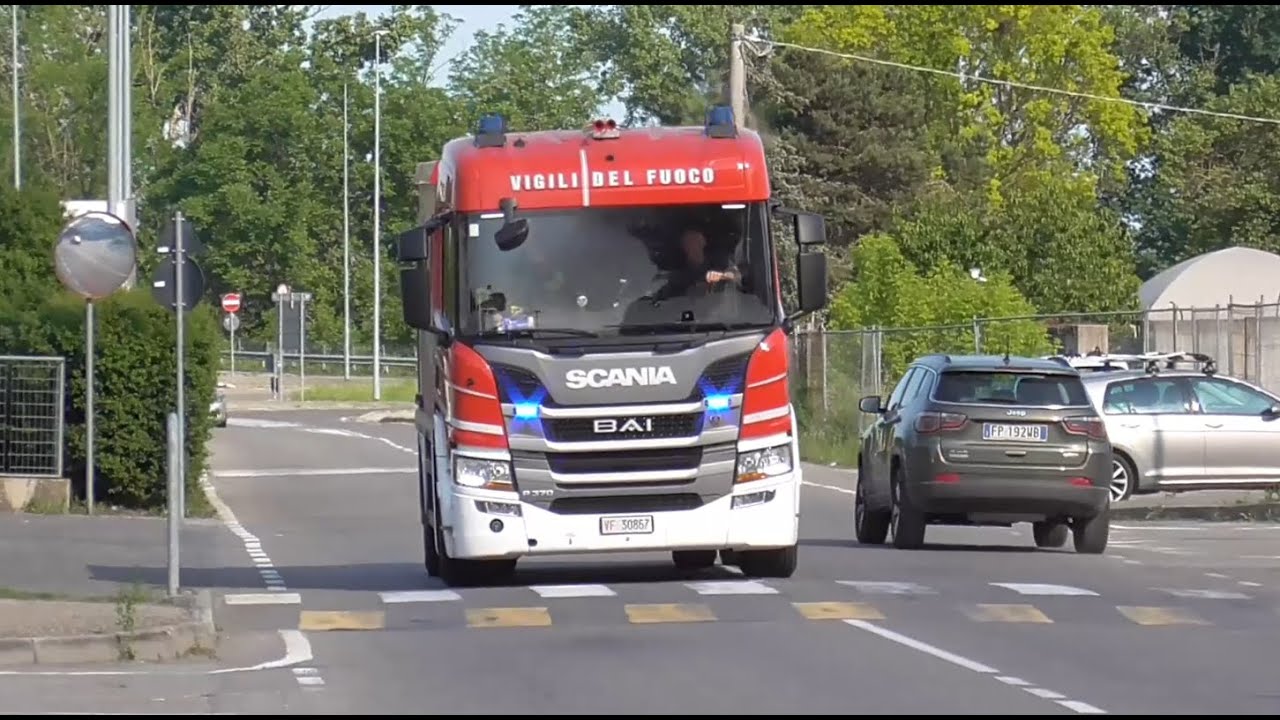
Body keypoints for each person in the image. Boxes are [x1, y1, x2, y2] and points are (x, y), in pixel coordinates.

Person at [652, 227, 740, 300]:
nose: (693, 245)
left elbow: (736, 275)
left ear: (703, 242)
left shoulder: (719, 260)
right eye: (688, 242)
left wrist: (722, 275)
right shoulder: (679, 272)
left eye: (696, 241)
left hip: (719, 313)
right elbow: (663, 295)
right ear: (684, 246)